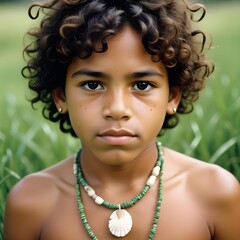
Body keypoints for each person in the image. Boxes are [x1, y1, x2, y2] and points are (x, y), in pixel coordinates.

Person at [4, 0, 240, 239]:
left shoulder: (216, 194)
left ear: (172, 96)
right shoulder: (30, 203)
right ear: (60, 96)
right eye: (93, 85)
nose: (117, 109)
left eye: (142, 85)